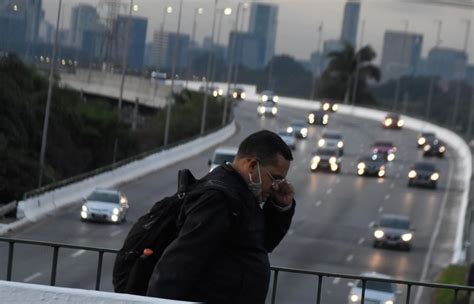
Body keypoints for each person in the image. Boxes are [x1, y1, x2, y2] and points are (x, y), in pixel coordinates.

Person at [147, 130, 295, 303]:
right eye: (275, 178)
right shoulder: (219, 198)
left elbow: (262, 244)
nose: (276, 187)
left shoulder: (243, 195)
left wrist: (280, 207)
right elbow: (181, 260)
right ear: (252, 166)